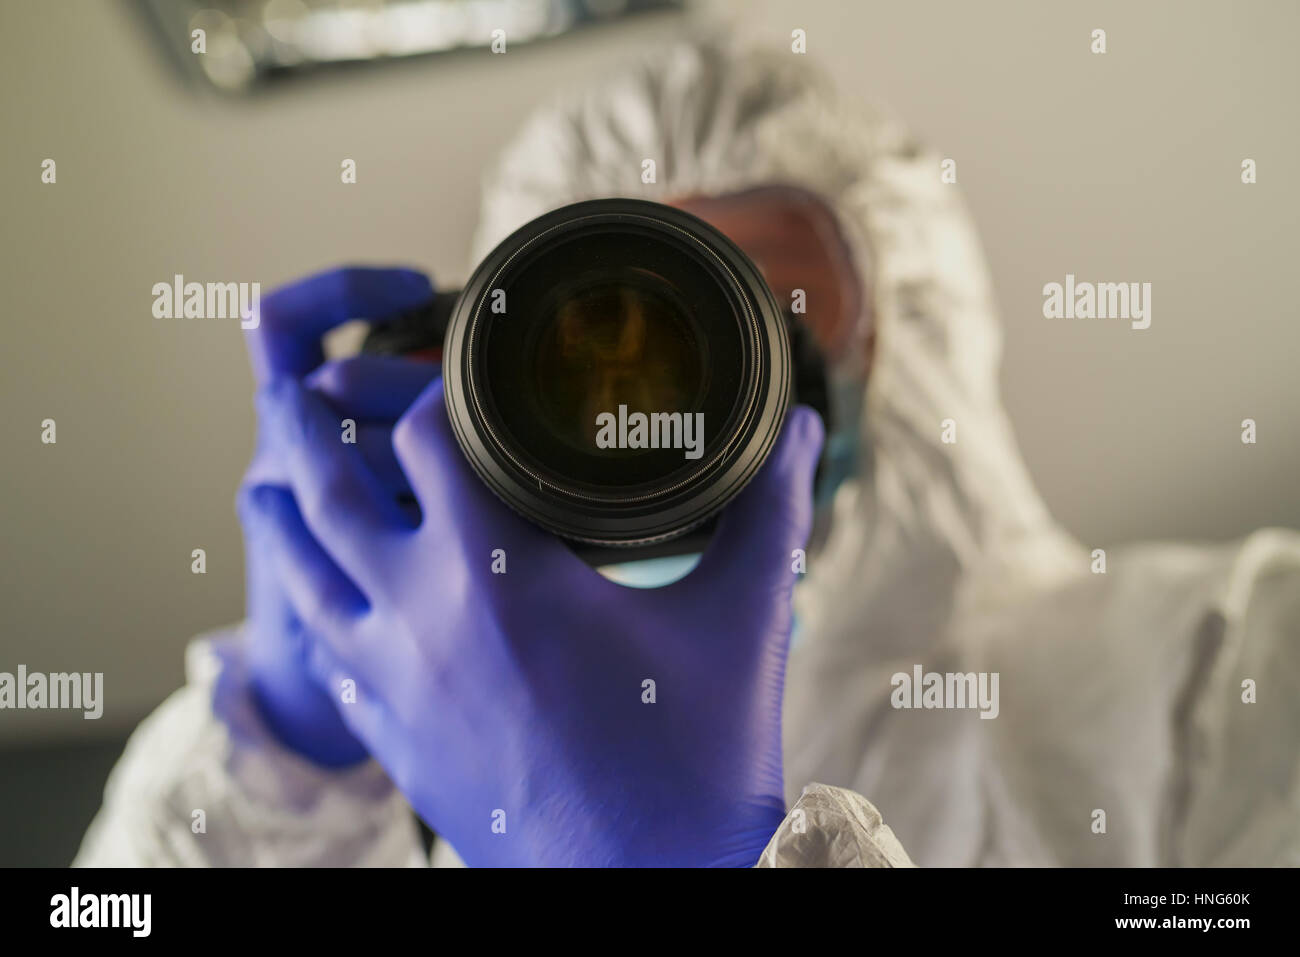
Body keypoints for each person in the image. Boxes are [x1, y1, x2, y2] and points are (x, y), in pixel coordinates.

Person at [76, 40, 1299, 868]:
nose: (660, 401)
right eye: (595, 341)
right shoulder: (431, 748)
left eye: (744, 335)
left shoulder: (1223, 664)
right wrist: (284, 761)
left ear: (912, 353)